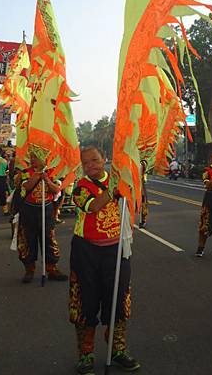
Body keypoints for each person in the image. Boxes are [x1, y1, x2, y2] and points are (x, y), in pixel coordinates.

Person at [69, 146, 139, 375]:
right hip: (86, 252)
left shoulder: (119, 183)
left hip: (115, 251)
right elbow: (93, 207)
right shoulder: (80, 187)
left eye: (95, 160)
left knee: (119, 301)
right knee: (86, 303)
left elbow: (135, 202)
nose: (91, 165)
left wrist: (131, 179)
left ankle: (117, 350)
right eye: (86, 162)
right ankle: (86, 354)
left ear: (105, 159)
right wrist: (114, 189)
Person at [16, 152, 68, 283]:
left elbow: (56, 190)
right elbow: (26, 186)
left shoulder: (51, 172)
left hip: (46, 209)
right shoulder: (26, 172)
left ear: (44, 159)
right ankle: (29, 270)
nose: (32, 159)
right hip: (29, 211)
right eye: (31, 157)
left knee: (49, 239)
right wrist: (37, 174)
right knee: (28, 240)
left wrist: (46, 179)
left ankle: (51, 269)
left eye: (35, 157)